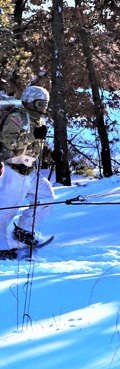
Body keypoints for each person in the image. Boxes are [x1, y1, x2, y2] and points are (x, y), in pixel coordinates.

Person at [0, 86, 55, 258]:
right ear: (30, 102)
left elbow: (37, 146)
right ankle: (1, 246)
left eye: (45, 105)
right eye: (40, 104)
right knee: (6, 210)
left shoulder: (39, 122)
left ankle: (24, 231)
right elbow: (9, 142)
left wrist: (50, 154)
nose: (42, 109)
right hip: (12, 170)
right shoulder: (17, 118)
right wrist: (33, 136)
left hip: (29, 171)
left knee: (46, 197)